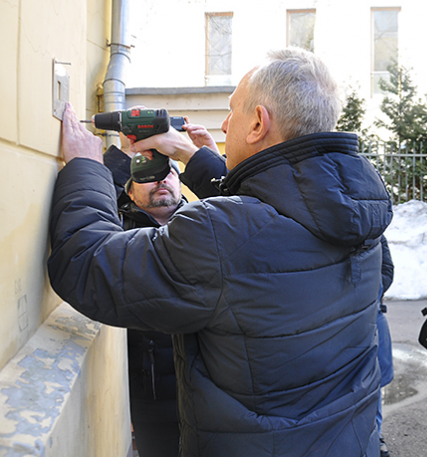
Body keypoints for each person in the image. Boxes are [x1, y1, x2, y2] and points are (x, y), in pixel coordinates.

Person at [48, 48, 393, 457]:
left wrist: (87, 169)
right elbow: (279, 211)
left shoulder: (218, 234)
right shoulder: (360, 214)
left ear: (259, 123)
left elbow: (87, 265)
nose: (225, 123)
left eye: (233, 111)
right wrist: (192, 156)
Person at [103, 146, 184, 457]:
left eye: (168, 173)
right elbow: (100, 193)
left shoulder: (207, 223)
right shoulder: (119, 232)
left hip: (215, 392)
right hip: (152, 399)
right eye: (147, 177)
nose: (161, 180)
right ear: (131, 193)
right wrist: (125, 156)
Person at [377, 236, 394, 457]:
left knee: (376, 378)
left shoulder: (374, 231)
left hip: (372, 310)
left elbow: (387, 269)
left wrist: (370, 289)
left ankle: (376, 432)